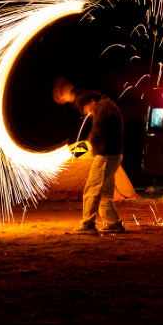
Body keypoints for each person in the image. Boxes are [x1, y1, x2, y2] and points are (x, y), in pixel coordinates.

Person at [53, 77, 126, 234]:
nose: (88, 113)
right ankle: (113, 223)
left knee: (92, 188)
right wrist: (69, 93)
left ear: (93, 101)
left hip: (105, 155)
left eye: (87, 108)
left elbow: (97, 132)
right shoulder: (108, 104)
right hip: (114, 154)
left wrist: (87, 143)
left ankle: (88, 224)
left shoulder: (102, 107)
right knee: (105, 192)